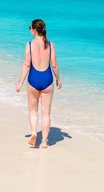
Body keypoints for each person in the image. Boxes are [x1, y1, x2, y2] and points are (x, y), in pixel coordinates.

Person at [16, 19, 62, 148]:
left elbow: (26, 64)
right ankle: (44, 143)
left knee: (32, 110)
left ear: (34, 30)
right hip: (47, 79)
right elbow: (54, 65)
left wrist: (20, 82)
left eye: (30, 27)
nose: (30, 29)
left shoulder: (29, 45)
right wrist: (58, 79)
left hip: (33, 79)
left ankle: (33, 132)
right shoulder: (51, 45)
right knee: (46, 112)